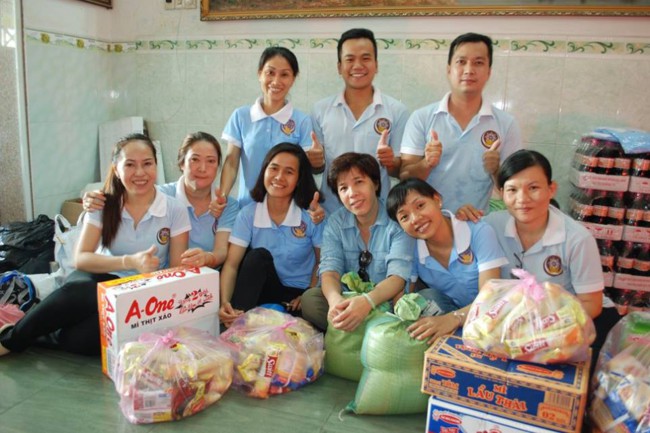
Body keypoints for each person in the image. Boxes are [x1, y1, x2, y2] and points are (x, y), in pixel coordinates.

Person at [0, 134, 190, 356]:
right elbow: (81, 259)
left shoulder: (174, 209)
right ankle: (10, 340)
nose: (140, 172)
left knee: (80, 340)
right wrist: (129, 261)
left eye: (147, 163)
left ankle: (41, 332)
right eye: (130, 165)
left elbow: (176, 270)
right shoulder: (102, 204)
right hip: (99, 279)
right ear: (116, 169)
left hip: (141, 292)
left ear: (156, 166)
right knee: (81, 290)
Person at [480, 149, 620, 366]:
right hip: (522, 319)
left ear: (551, 189)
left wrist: (543, 329)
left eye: (533, 188)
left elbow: (591, 304)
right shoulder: (491, 226)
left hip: (578, 318)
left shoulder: (577, 239)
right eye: (512, 190)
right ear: (501, 193)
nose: (522, 199)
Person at [399, 32, 521, 214]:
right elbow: (404, 177)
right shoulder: (421, 118)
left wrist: (496, 171)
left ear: (489, 72)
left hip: (476, 222)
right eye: (461, 61)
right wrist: (426, 164)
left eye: (478, 63)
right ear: (449, 70)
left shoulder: (506, 124)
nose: (469, 70)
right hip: (428, 223)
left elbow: (516, 189)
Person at [83, 131, 238, 269]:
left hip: (205, 277)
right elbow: (127, 192)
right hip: (161, 274)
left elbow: (221, 251)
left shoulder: (227, 205)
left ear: (218, 167)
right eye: (194, 159)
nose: (202, 168)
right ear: (181, 163)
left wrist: (207, 258)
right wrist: (94, 198)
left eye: (211, 161)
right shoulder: (162, 196)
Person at [386, 178, 508, 344]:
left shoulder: (478, 231)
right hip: (454, 316)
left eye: (420, 205)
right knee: (425, 299)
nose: (415, 218)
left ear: (437, 200)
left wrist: (453, 319)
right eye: (404, 217)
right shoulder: (414, 250)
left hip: (498, 315)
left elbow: (490, 298)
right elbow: (402, 297)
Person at [301, 153, 414, 332]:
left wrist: (367, 302)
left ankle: (360, 332)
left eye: (359, 182)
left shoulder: (397, 219)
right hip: (348, 301)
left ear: (375, 184)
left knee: (417, 305)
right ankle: (369, 331)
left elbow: (398, 278)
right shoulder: (336, 222)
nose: (352, 193)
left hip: (386, 302)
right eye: (343, 188)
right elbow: (330, 270)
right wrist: (335, 301)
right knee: (310, 300)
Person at [218, 143, 324, 327]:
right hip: (264, 290)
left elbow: (321, 261)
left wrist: (308, 292)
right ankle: (235, 322)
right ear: (264, 172)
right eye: (273, 168)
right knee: (257, 256)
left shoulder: (312, 215)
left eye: (289, 172)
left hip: (299, 297)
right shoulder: (248, 214)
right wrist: (225, 302)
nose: (279, 177)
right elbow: (232, 265)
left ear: (299, 179)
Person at [311, 28, 410, 214]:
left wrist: (390, 162)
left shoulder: (397, 111)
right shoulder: (320, 110)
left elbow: (400, 171)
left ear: (376, 65)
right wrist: (316, 163)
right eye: (350, 59)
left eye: (365, 58)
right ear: (339, 67)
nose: (357, 65)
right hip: (332, 213)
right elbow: (317, 169)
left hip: (378, 214)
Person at [220, 47, 315, 208]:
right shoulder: (241, 116)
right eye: (270, 73)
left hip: (287, 211)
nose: (276, 81)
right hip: (247, 208)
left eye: (284, 74)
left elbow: (305, 172)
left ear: (293, 79)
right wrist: (222, 196)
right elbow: (231, 162)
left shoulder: (302, 121)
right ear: (260, 74)